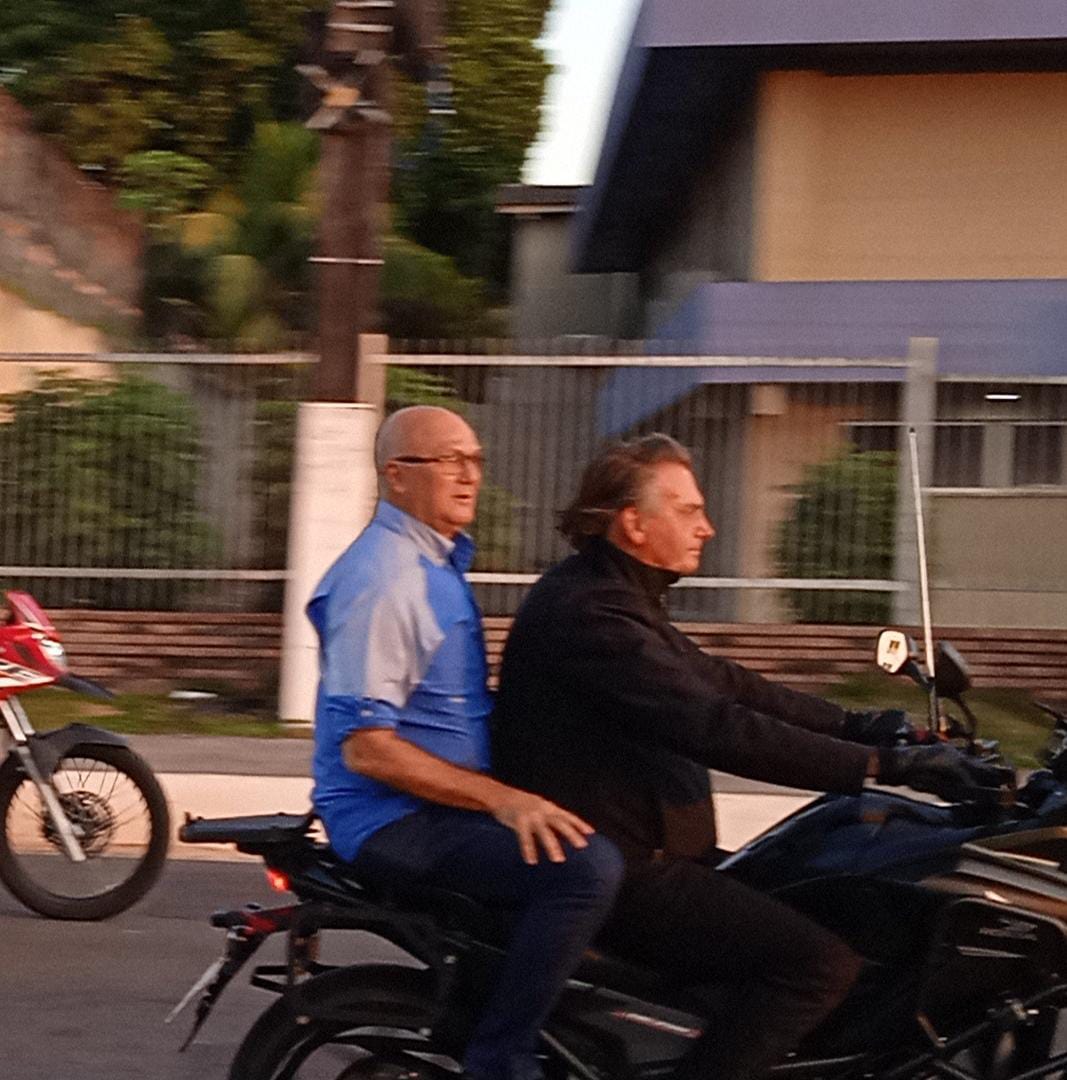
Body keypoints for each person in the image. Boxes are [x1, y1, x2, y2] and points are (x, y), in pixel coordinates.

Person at [492, 432, 1003, 1080]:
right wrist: (884, 767)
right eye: (686, 510)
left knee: (823, 893)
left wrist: (863, 725)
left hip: (652, 848)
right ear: (632, 522)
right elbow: (715, 725)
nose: (705, 527)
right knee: (818, 965)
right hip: (622, 868)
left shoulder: (617, 595)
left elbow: (724, 682)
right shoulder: (591, 614)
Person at [309, 405, 624, 1080]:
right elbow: (366, 747)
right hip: (394, 819)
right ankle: (499, 1058)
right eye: (447, 460)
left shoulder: (431, 563)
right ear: (397, 477)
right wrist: (503, 800)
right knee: (584, 871)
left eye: (474, 460)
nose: (468, 475)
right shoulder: (386, 580)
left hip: (436, 808)